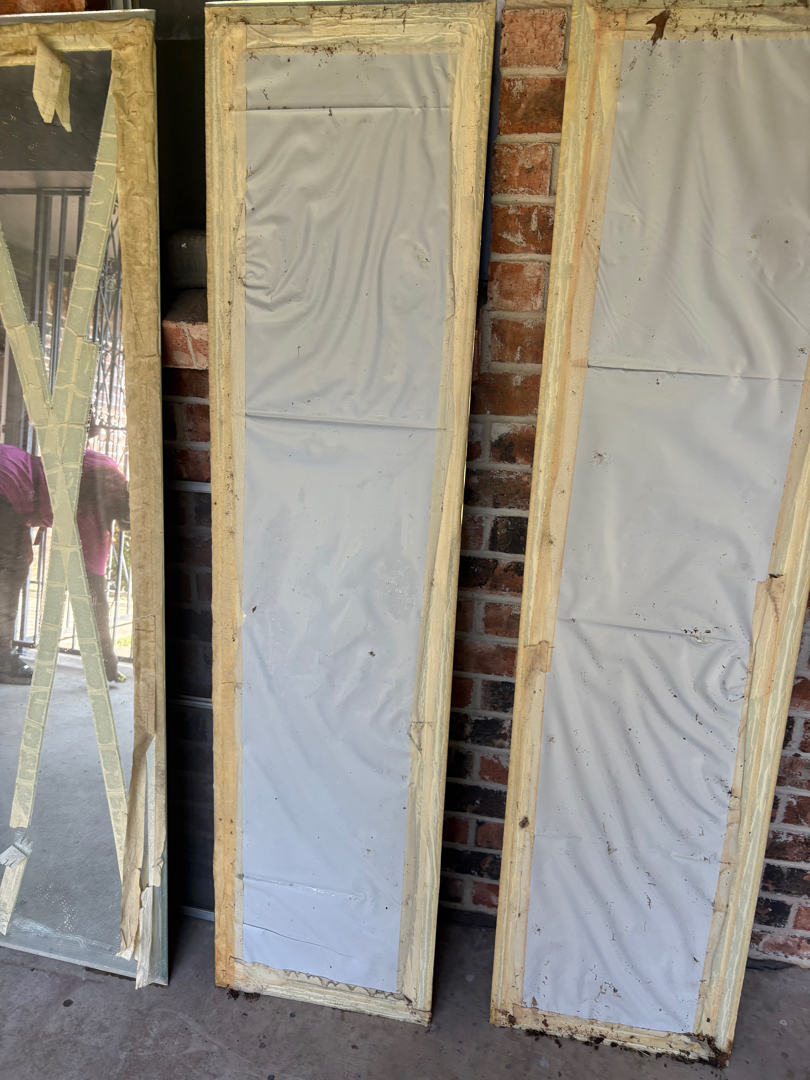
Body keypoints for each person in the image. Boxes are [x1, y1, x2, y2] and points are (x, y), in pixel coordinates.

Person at [0, 443, 129, 685]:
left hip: (9, 461)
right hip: (8, 490)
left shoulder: (107, 465)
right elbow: (93, 596)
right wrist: (106, 654)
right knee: (10, 571)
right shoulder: (93, 516)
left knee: (16, 561)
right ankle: (2, 660)